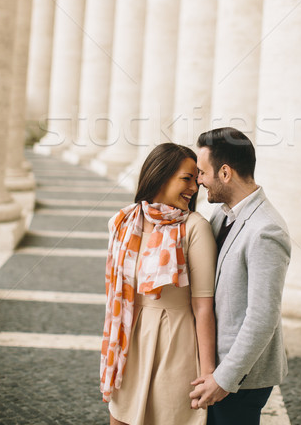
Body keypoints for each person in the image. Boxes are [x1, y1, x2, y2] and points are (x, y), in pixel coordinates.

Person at [100, 143, 217, 425]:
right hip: (128, 341)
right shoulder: (123, 222)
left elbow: (203, 307)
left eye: (196, 180)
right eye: (186, 178)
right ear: (160, 175)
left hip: (176, 345)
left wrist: (209, 372)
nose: (193, 187)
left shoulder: (194, 227)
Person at [190, 127, 291, 425]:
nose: (198, 180)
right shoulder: (221, 213)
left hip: (241, 379)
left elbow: (262, 317)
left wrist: (223, 379)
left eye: (201, 172)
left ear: (224, 172)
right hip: (215, 365)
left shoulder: (266, 230)